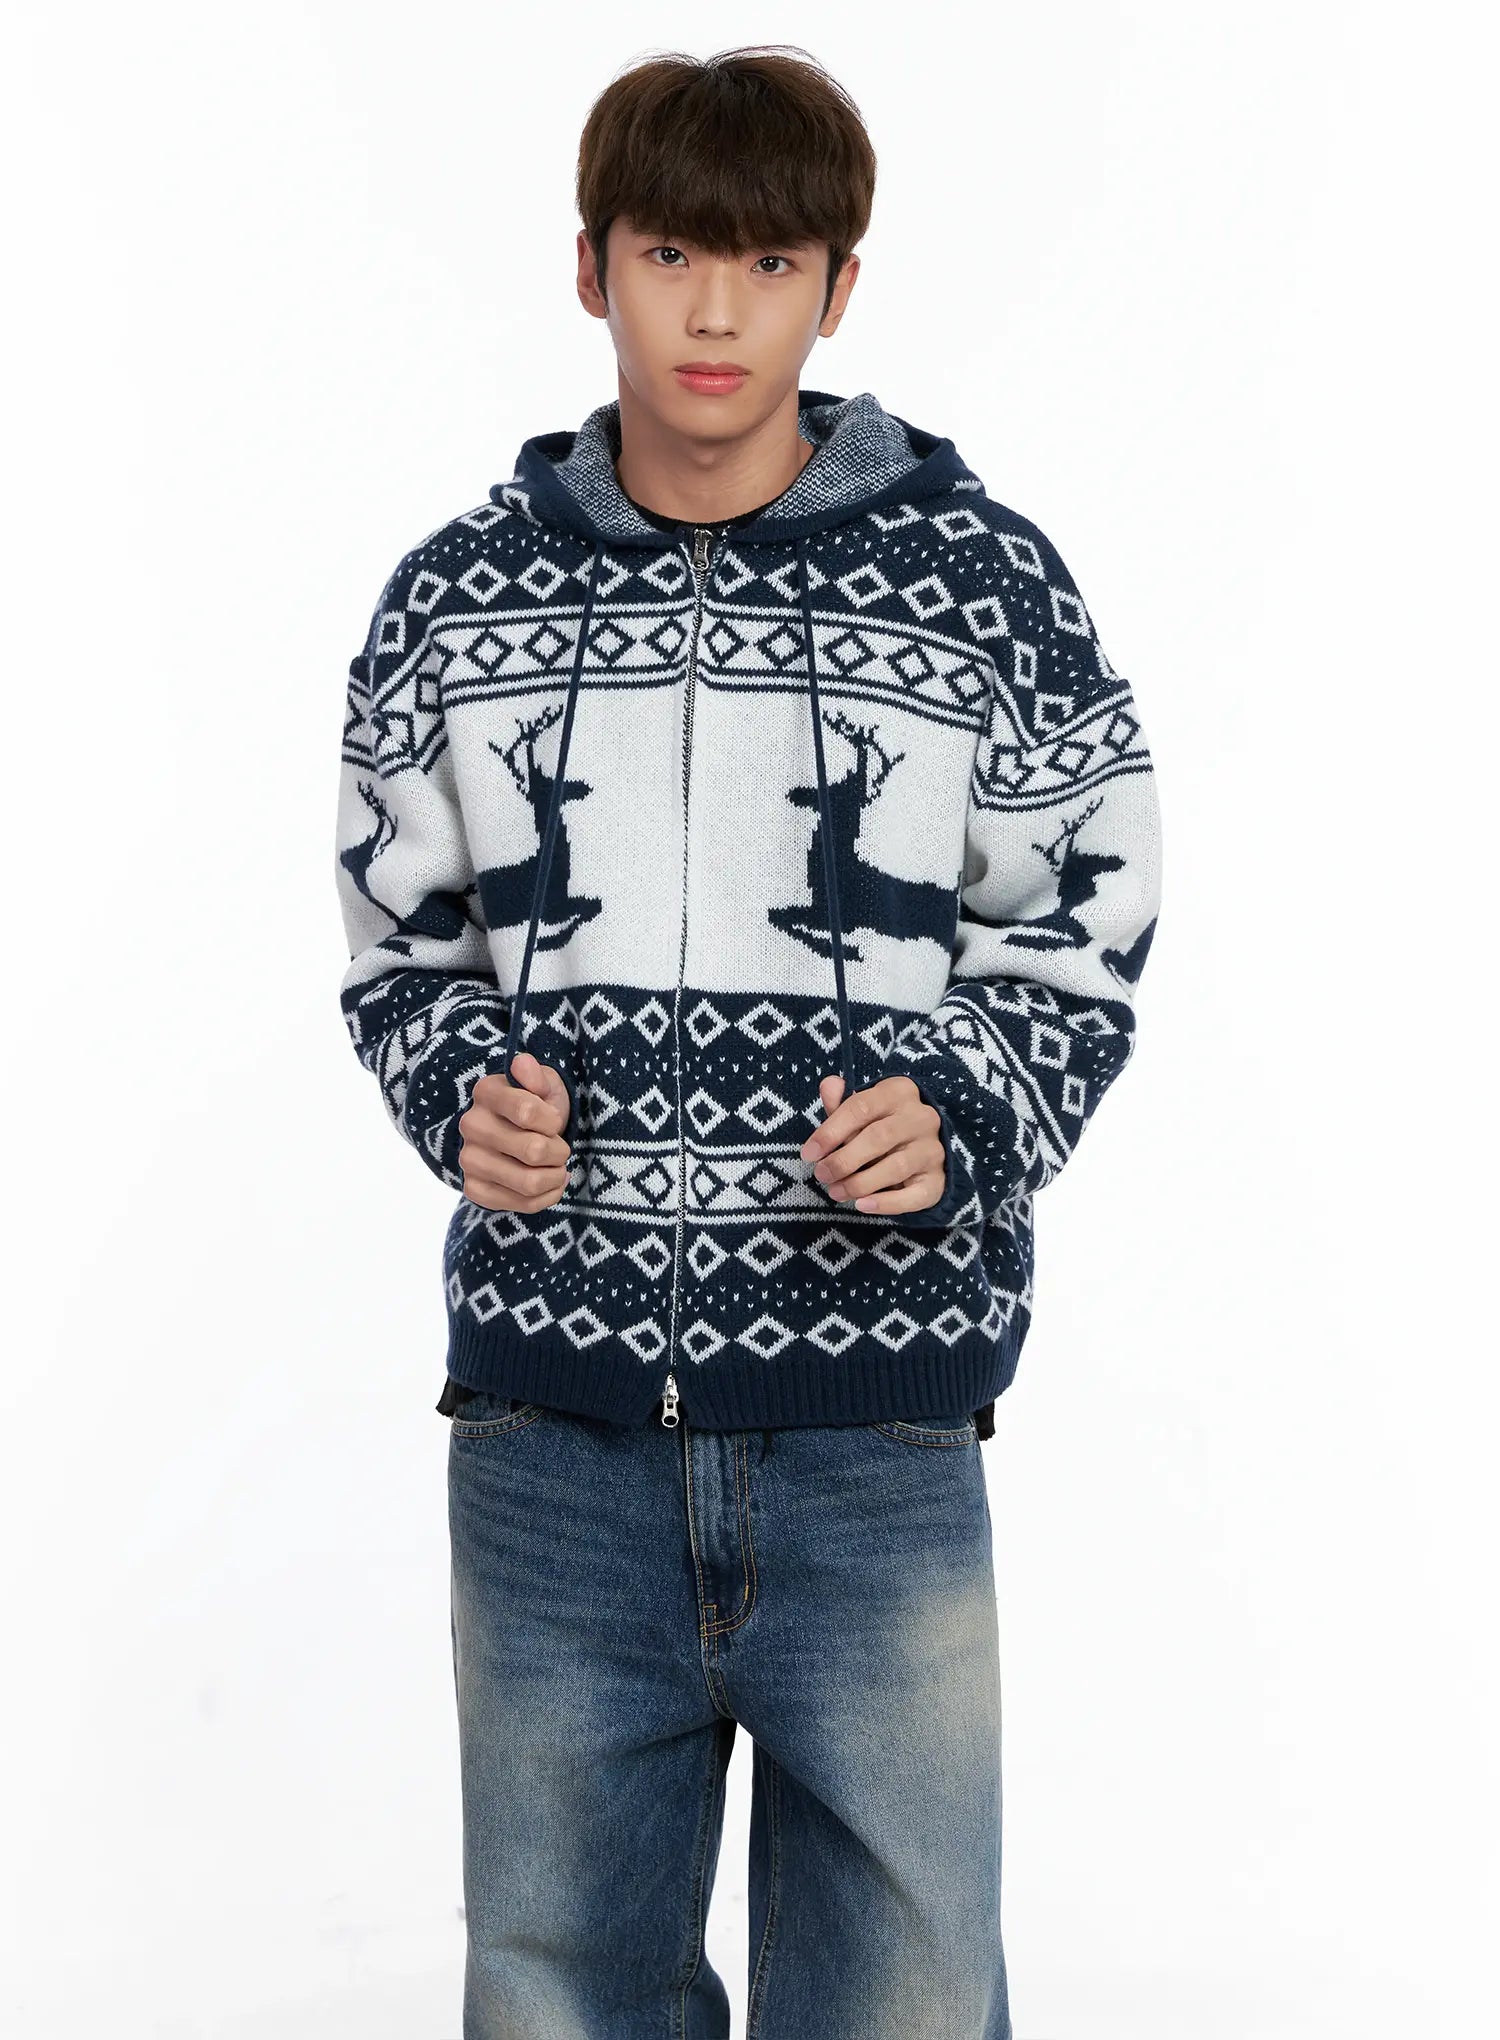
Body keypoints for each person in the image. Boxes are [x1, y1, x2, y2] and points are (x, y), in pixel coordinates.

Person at [334, 43, 1162, 2040]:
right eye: (672, 254)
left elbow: (1085, 917)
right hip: (551, 1447)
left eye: (772, 262)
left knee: (906, 1999)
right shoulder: (456, 602)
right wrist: (459, 1097)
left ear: (839, 288)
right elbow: (399, 942)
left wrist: (965, 1113)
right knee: (554, 1992)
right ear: (593, 268)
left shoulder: (984, 588)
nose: (717, 312)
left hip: (875, 1435)